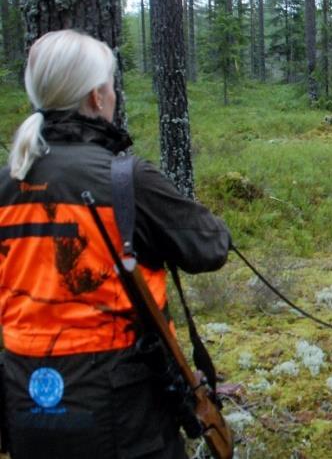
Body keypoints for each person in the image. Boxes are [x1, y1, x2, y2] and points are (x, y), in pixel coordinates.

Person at [0, 30, 231, 458]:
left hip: (24, 401)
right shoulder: (124, 179)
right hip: (122, 413)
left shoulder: (6, 184)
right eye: (109, 85)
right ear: (95, 97)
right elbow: (209, 246)